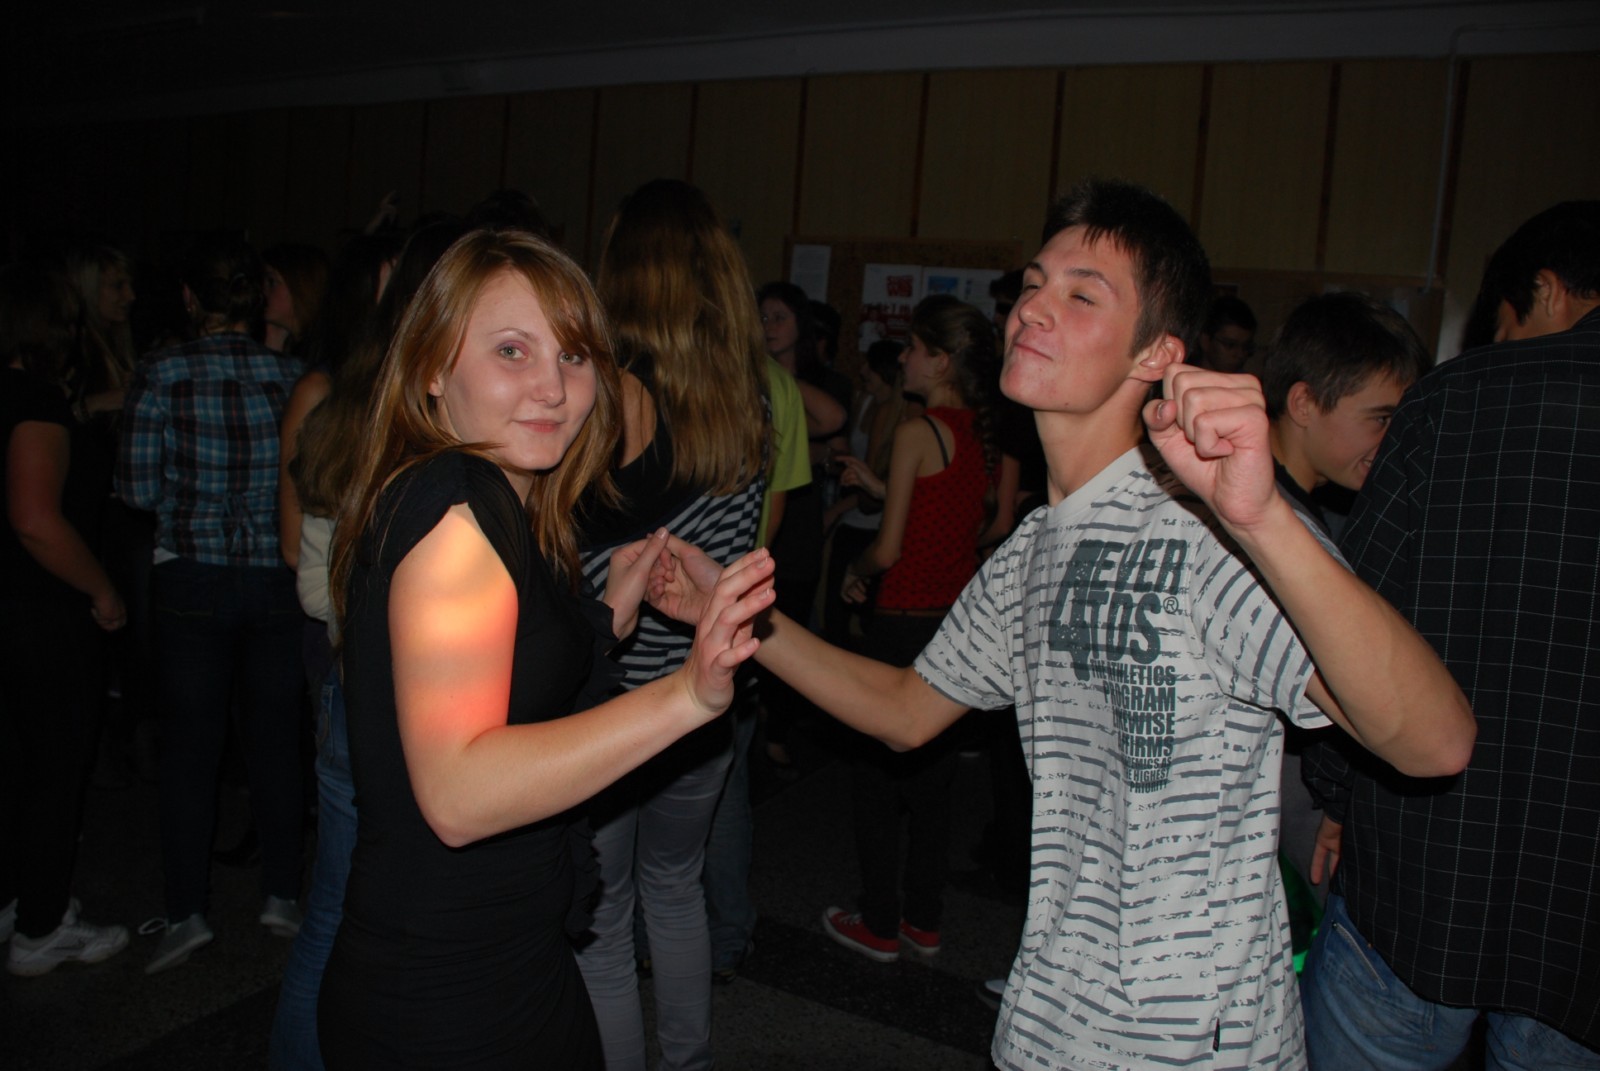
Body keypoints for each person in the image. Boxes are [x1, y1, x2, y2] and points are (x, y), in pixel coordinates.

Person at [651, 178, 1475, 1069]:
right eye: (1035, 284)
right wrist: (737, 610)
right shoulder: (1036, 547)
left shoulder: (1210, 530)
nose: (1034, 308)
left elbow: (1434, 742)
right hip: (1049, 1020)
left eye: (1083, 296)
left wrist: (1265, 518)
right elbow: (905, 708)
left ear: (1156, 353)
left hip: (1191, 1045)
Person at [314, 227, 773, 1067]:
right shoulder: (458, 511)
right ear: (431, 367)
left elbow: (507, 680)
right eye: (511, 351)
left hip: (502, 959)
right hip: (449, 993)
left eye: (572, 355)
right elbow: (459, 794)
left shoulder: (494, 496)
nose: (553, 388)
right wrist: (685, 695)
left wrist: (604, 616)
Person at [1300, 201, 1600, 1067]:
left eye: (1503, 326)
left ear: (1545, 290)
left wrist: (1337, 797)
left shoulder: (1453, 401)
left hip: (1426, 867)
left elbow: (1358, 620)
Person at [572, 179, 769, 1071]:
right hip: (705, 692)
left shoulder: (610, 401)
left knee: (605, 916)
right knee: (676, 888)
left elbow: (583, 563)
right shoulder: (750, 399)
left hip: (616, 704)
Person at [118, 235, 308, 974]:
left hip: (192, 576)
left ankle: (187, 911)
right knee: (276, 739)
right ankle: (282, 895)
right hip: (273, 577)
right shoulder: (291, 376)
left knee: (190, 749)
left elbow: (137, 489)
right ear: (256, 299)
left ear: (191, 298)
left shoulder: (161, 372)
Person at [822, 294, 998, 962]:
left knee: (874, 781)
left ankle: (878, 921)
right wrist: (880, 485)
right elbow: (958, 516)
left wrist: (854, 570)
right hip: (951, 627)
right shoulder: (979, 431)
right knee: (933, 786)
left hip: (899, 625)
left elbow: (889, 547)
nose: (904, 359)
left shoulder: (921, 431)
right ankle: (924, 919)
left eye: (916, 348)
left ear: (943, 361)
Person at [1, 263, 130, 976]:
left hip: (13, 610)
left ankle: (17, 898)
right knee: (53, 767)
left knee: (17, 762)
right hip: (42, 613)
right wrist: (103, 590)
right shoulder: (36, 403)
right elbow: (35, 520)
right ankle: (41, 928)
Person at [1196, 294, 1257, 373]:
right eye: (1230, 345)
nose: (1240, 355)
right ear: (1205, 341)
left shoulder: (1247, 380)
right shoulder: (1185, 376)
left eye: (1246, 347)